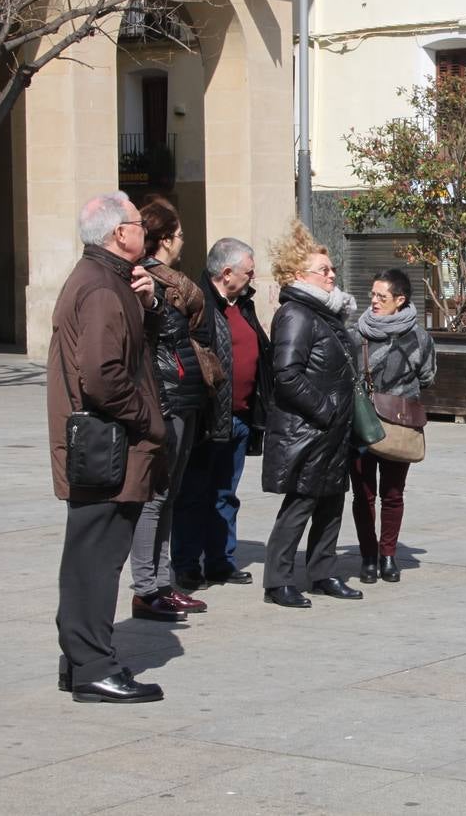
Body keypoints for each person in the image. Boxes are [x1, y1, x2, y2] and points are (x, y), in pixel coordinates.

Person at [48, 192, 168, 703]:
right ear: (121, 233)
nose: (147, 232)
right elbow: (102, 376)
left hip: (104, 444)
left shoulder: (110, 281)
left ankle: (81, 661)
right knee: (95, 562)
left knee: (90, 559)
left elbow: (135, 349)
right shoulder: (100, 287)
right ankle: (92, 666)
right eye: (141, 224)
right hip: (108, 447)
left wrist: (148, 303)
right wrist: (149, 422)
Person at [261, 222, 362, 608]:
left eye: (332, 268)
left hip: (331, 430)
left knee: (331, 501)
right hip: (308, 429)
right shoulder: (296, 314)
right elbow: (285, 373)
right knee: (300, 503)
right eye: (324, 270)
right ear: (298, 276)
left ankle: (322, 572)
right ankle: (278, 580)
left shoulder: (326, 314)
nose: (332, 274)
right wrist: (326, 409)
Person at [128, 196, 214, 622]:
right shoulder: (148, 283)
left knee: (169, 496)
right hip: (165, 397)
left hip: (181, 396)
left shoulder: (169, 285)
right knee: (155, 496)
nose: (182, 243)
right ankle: (147, 588)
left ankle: (162, 583)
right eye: (179, 236)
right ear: (164, 239)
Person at [172, 237, 271, 590]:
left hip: (240, 416)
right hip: (207, 418)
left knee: (225, 494)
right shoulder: (198, 304)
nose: (253, 276)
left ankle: (220, 561)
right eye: (248, 271)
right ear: (227, 272)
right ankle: (185, 564)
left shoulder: (243, 304)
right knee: (195, 493)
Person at [349, 268, 437, 584]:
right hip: (361, 423)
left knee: (393, 494)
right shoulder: (357, 334)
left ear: (399, 300)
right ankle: (368, 556)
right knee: (363, 495)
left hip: (399, 425)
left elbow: (427, 376)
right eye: (372, 295)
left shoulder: (419, 337)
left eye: (381, 296)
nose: (373, 301)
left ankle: (388, 556)